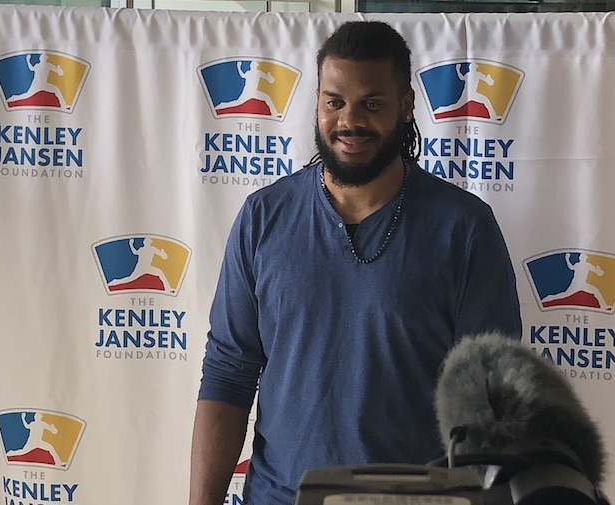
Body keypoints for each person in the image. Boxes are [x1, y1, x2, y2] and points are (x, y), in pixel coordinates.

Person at [189, 20, 522, 505]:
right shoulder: (263, 217)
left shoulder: (465, 228)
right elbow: (227, 373)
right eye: (334, 102)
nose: (349, 121)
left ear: (406, 105)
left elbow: (493, 402)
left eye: (372, 103)